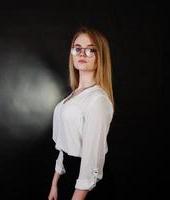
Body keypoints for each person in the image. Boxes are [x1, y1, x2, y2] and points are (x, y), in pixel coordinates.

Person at [48, 26, 115, 200]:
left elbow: (91, 162)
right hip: (66, 178)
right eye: (77, 48)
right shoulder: (73, 95)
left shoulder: (97, 100)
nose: (82, 54)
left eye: (90, 50)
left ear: (100, 56)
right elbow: (64, 146)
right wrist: (55, 184)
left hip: (82, 188)